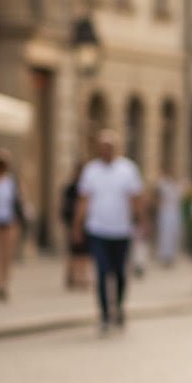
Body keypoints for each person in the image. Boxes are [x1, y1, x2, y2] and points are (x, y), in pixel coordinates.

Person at [72, 129, 144, 333]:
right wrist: (77, 226)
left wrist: (141, 221)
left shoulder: (128, 169)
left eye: (110, 147)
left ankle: (118, 307)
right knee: (102, 272)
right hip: (98, 229)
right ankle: (104, 314)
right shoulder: (91, 170)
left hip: (121, 230)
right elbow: (83, 200)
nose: (106, 150)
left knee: (120, 273)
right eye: (103, 147)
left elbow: (135, 198)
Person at [0, 150, 23, 301]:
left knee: (5, 256)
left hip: (8, 222)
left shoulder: (12, 182)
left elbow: (19, 202)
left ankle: (3, 284)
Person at [60, 162, 90, 290]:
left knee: (81, 251)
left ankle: (80, 276)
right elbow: (65, 206)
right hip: (73, 221)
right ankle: (73, 276)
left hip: (85, 223)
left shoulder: (86, 187)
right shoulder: (72, 188)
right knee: (74, 250)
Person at [154, 168, 184, 266]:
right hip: (165, 213)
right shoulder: (163, 184)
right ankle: (164, 255)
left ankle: (171, 255)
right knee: (165, 234)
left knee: (174, 234)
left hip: (174, 213)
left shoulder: (178, 186)